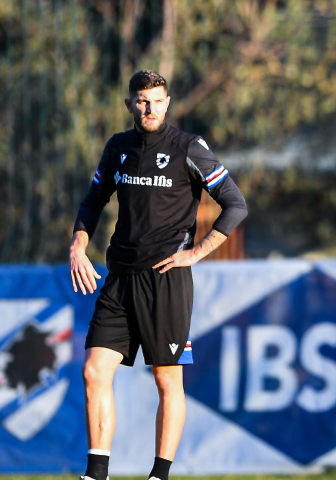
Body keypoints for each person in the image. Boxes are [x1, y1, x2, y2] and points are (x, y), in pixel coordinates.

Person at [69, 70, 247, 480]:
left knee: (167, 381)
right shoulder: (118, 147)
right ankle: (96, 473)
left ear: (168, 103)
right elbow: (93, 200)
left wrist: (198, 252)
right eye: (142, 100)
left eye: (157, 100)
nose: (150, 108)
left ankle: (159, 476)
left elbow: (235, 204)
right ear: (129, 104)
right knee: (93, 371)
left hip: (166, 279)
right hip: (119, 278)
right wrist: (79, 244)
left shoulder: (188, 147)